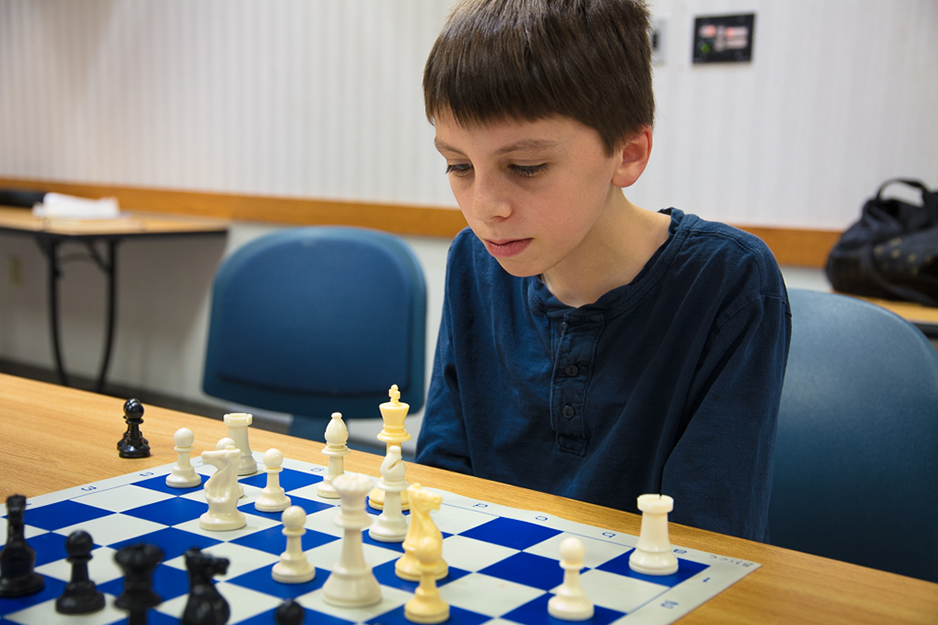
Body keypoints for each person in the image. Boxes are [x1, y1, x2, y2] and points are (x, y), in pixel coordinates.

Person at [414, 0, 791, 542]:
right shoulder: (475, 260)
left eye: (526, 167)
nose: (484, 207)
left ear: (628, 153)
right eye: (459, 165)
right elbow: (442, 482)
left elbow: (710, 540)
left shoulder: (728, 281)